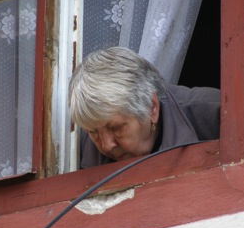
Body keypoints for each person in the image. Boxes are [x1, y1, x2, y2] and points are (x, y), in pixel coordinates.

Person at [69, 46, 220, 169]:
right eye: (94, 133)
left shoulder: (217, 115)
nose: (106, 146)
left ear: (152, 107)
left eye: (116, 128)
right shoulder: (74, 149)